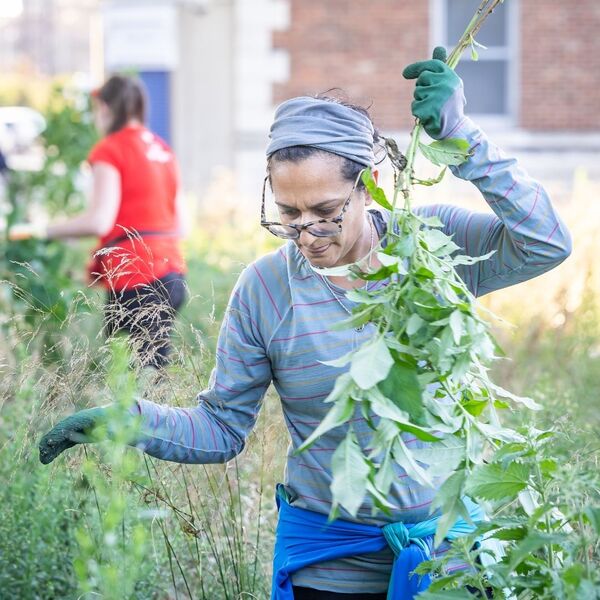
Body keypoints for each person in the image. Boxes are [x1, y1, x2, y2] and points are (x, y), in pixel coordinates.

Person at [38, 49, 572, 598]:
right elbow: (221, 428)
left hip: (450, 555)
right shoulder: (267, 288)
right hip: (329, 558)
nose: (307, 233)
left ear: (372, 184)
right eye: (288, 214)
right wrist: (128, 419)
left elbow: (545, 242)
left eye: (326, 211)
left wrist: (462, 138)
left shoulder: (434, 247)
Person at [9, 75, 187, 369]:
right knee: (154, 378)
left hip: (135, 277)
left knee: (125, 380)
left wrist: (43, 230)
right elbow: (181, 226)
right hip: (173, 276)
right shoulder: (162, 149)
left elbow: (99, 221)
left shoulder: (111, 149)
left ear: (104, 107)